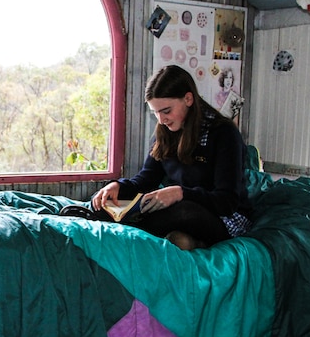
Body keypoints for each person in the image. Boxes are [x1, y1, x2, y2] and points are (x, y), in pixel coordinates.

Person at [90, 65, 252, 249]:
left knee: (183, 212)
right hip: (183, 210)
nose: (161, 120)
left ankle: (124, 226)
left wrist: (180, 193)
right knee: (104, 202)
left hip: (225, 218)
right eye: (155, 113)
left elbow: (226, 202)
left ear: (188, 99)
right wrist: (118, 186)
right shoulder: (166, 132)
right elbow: (145, 180)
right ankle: (185, 240)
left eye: (166, 111)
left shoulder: (224, 133)